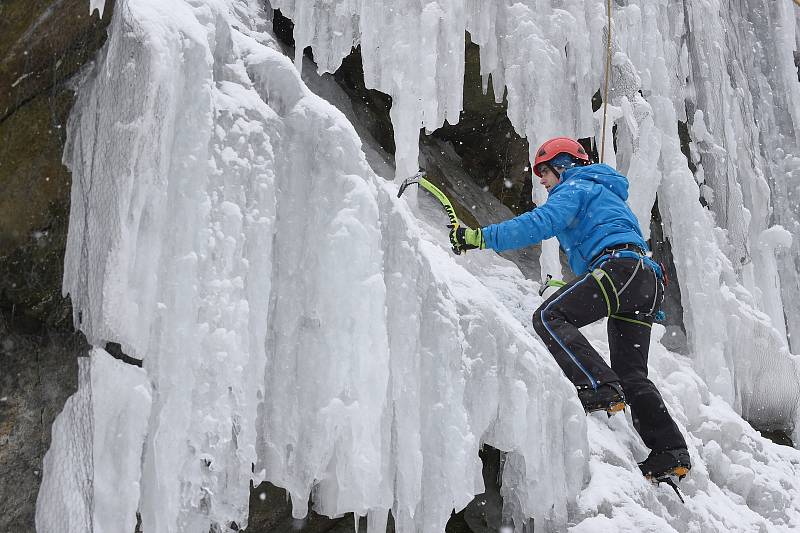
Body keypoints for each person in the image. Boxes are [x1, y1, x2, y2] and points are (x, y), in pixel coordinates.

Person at [449, 137, 690, 480]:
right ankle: (670, 451)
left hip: (618, 268)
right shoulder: (605, 192)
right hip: (644, 281)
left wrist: (478, 238)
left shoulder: (575, 186)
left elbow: (538, 224)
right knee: (632, 374)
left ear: (562, 166)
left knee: (548, 316)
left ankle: (599, 387)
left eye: (545, 172)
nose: (542, 181)